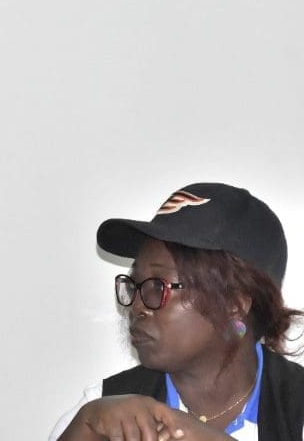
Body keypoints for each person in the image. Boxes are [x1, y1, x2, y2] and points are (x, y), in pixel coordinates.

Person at [50, 183, 304, 441]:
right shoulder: (100, 416)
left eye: (158, 286)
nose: (136, 306)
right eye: (134, 285)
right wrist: (84, 428)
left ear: (234, 305)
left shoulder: (296, 409)